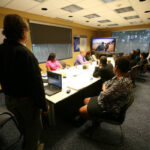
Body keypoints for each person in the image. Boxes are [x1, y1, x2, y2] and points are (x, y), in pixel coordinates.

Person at [0, 14, 48, 150]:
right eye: (27, 31)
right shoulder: (25, 54)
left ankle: (27, 143)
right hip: (26, 102)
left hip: (8, 99)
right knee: (34, 129)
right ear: (22, 31)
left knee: (22, 124)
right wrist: (44, 106)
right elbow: (37, 85)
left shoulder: (0, 50)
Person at [79, 56, 133, 122]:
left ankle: (96, 120)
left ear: (116, 68)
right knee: (85, 100)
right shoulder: (123, 76)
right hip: (111, 99)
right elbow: (107, 82)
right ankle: (93, 115)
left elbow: (104, 95)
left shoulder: (121, 83)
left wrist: (104, 88)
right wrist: (106, 88)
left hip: (111, 107)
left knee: (81, 110)